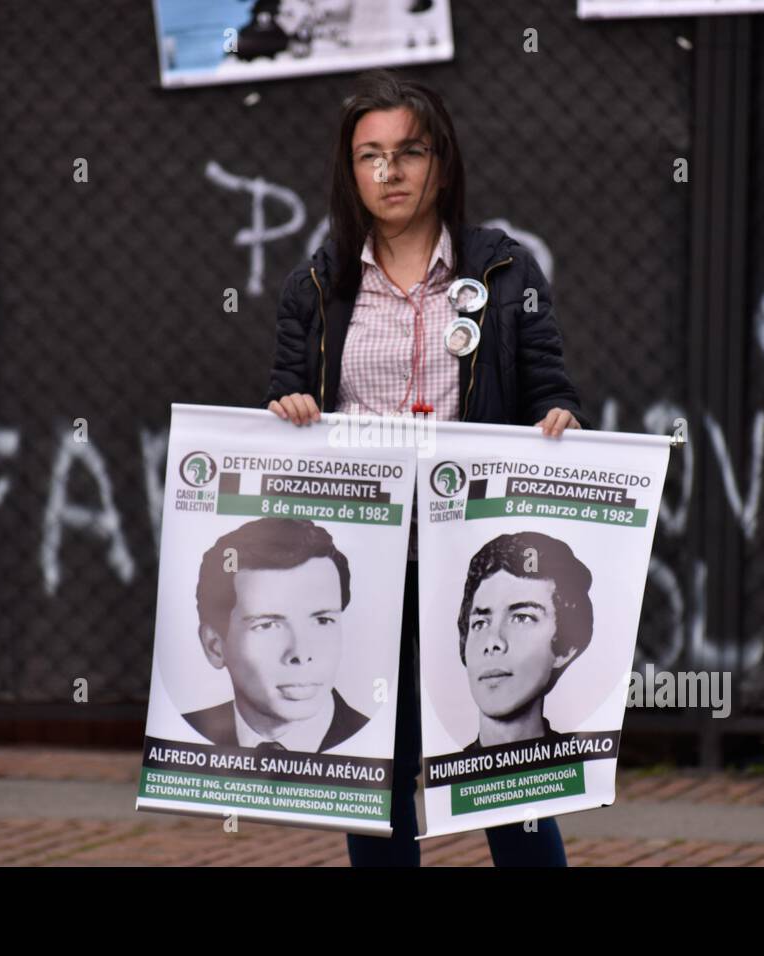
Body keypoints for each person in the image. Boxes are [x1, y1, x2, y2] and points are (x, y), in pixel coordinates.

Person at [264, 69, 589, 866]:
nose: (389, 172)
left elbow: (552, 392)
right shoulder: (316, 285)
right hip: (365, 571)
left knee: (503, 773)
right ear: (350, 171)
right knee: (376, 781)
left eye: (408, 152)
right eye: (369, 156)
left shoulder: (505, 274)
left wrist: (559, 420)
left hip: (470, 565)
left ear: (441, 161)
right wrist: (291, 410)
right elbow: (279, 404)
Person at [186, 517, 369, 754]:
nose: (301, 654)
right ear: (214, 646)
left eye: (323, 620)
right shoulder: (183, 737)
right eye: (268, 625)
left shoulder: (381, 745)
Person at [456, 532, 594, 753]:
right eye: (480, 622)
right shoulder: (448, 779)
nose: (493, 641)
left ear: (566, 648)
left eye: (521, 618)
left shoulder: (578, 771)